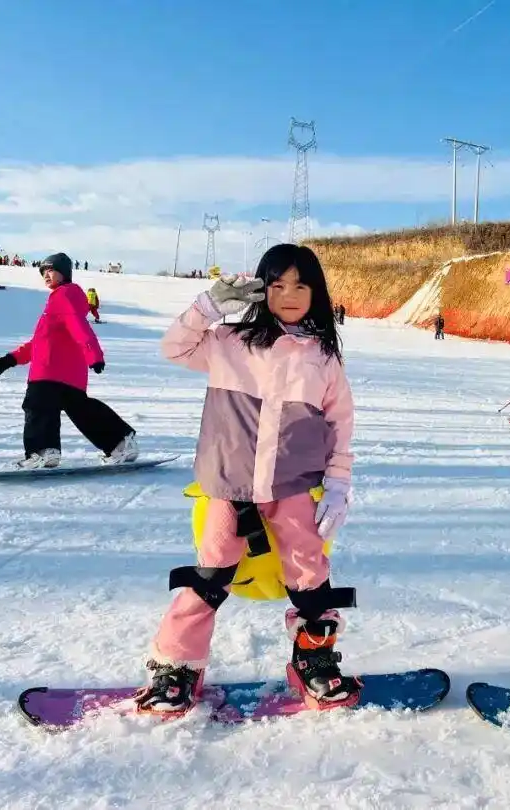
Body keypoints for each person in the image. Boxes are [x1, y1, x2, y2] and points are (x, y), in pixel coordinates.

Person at [133, 243, 359, 715]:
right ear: (262, 290)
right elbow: (174, 347)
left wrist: (337, 484)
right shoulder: (228, 341)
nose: (290, 294)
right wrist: (208, 307)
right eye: (277, 285)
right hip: (228, 486)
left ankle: (312, 660)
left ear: (316, 292)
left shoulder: (321, 356)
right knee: (212, 572)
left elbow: (341, 424)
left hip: (293, 485)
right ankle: (177, 666)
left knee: (309, 574)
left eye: (301, 285)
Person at [0, 252, 139, 468]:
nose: (46, 275)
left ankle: (43, 451)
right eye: (43, 272)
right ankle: (120, 443)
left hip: (48, 371)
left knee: (37, 406)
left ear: (64, 272)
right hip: (71, 374)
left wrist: (94, 355)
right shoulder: (69, 297)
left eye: (50, 270)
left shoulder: (62, 296)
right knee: (82, 411)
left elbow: (79, 327)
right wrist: (11, 358)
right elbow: (40, 342)